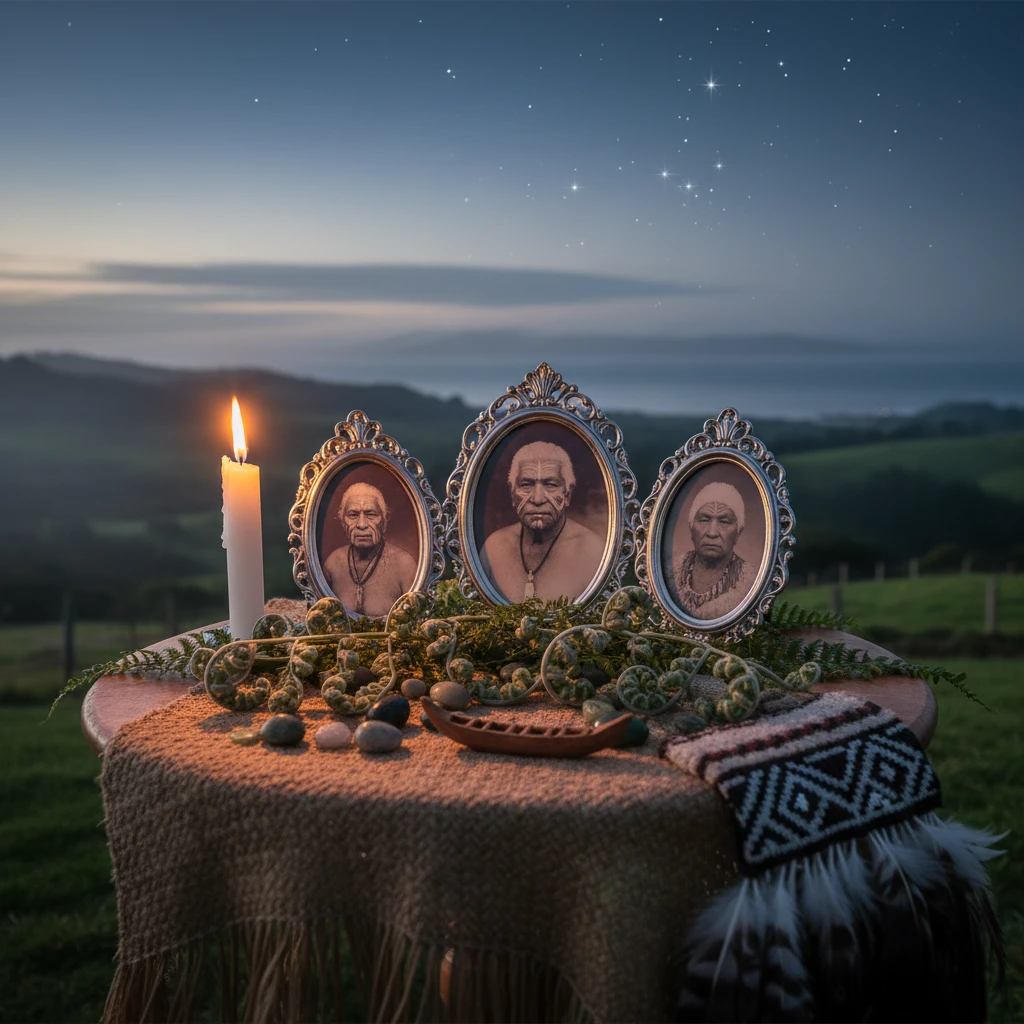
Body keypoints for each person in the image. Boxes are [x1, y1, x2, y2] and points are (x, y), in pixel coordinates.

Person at [480, 440, 605, 602]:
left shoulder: (595, 553)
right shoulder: (494, 548)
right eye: (526, 484)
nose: (537, 499)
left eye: (550, 485)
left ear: (567, 495)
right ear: (512, 494)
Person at [322, 481, 418, 617]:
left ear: (384, 521)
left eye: (371, 514)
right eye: (353, 515)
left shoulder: (405, 565)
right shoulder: (333, 563)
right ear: (343, 522)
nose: (362, 524)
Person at [670, 480, 758, 620]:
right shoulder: (671, 572)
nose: (712, 533)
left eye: (723, 522)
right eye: (704, 520)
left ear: (738, 532)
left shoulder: (751, 581)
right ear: (691, 527)